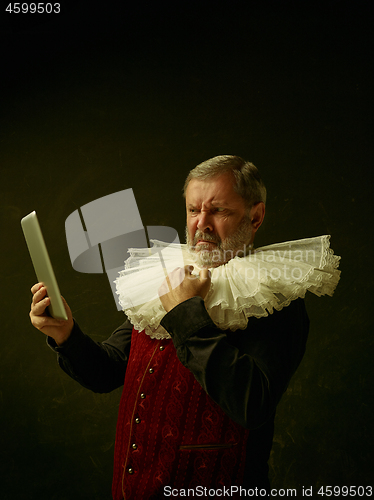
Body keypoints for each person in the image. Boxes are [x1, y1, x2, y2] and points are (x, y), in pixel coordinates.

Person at [30, 155, 313, 499]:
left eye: (218, 210)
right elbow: (107, 372)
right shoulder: (161, 277)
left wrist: (184, 311)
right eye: (194, 211)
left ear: (255, 216)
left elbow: (252, 405)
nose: (202, 224)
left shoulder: (277, 299)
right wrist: (66, 334)